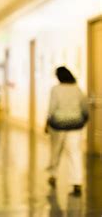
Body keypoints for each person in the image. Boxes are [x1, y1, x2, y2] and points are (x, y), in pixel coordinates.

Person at [45, 66, 88, 196]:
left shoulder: (55, 90)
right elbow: (84, 107)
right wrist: (84, 118)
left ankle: (53, 175)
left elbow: (52, 108)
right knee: (74, 153)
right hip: (75, 124)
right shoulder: (78, 89)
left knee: (56, 151)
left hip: (58, 125)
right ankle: (77, 182)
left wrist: (47, 122)